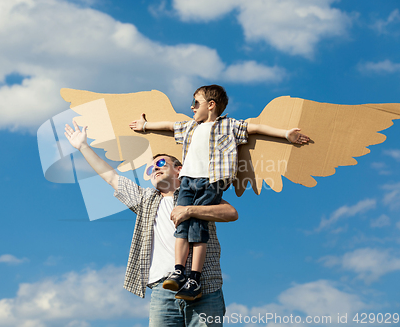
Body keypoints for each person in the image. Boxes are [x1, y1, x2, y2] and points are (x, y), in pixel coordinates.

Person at [129, 85, 309, 300]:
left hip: (211, 181)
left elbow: (257, 128)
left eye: (196, 103)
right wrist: (145, 125)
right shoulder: (190, 127)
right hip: (187, 181)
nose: (192, 107)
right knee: (181, 224)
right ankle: (178, 271)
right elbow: (169, 126)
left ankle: (194, 278)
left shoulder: (229, 125)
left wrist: (286, 134)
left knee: (197, 226)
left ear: (210, 105)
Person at [64, 117, 239, 326]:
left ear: (179, 170)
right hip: (163, 289)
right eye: (150, 168)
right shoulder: (145, 199)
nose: (155, 168)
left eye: (161, 163)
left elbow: (230, 212)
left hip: (204, 287)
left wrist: (190, 210)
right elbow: (111, 177)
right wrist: (83, 146)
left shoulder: (197, 195)